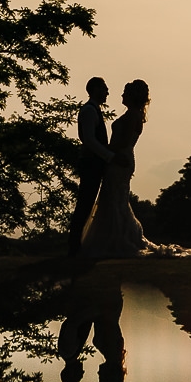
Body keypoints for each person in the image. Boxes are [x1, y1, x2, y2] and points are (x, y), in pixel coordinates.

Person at [80, 80, 191, 259]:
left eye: (125, 92)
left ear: (133, 96)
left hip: (120, 161)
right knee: (114, 199)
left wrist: (103, 150)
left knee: (115, 198)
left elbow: (123, 142)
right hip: (117, 160)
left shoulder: (133, 115)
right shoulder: (131, 114)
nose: (121, 95)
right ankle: (112, 237)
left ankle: (117, 239)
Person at [68, 77, 114, 256]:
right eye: (104, 88)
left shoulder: (94, 110)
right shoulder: (88, 111)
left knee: (87, 204)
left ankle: (77, 245)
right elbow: (88, 140)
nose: (107, 92)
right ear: (95, 89)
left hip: (95, 163)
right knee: (85, 204)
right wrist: (108, 156)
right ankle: (74, 246)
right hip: (91, 164)